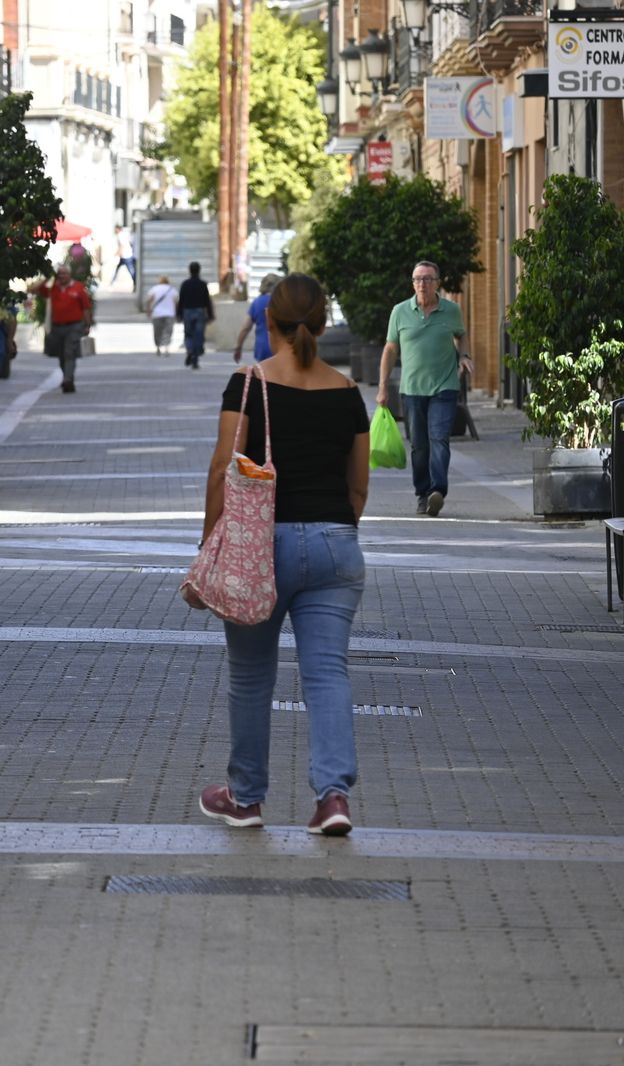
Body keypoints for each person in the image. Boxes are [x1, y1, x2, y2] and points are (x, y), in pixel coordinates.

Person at [191, 273, 370, 836]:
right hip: (335, 548)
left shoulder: (248, 384)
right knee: (326, 674)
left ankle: (245, 799)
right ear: (321, 323)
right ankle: (333, 798)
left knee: (250, 677)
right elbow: (358, 488)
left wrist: (209, 545)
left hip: (258, 547)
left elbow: (224, 469)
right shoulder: (347, 393)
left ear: (269, 322)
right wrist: (331, 531)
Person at [376, 260, 472, 517]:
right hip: (412, 390)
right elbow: (390, 350)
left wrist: (464, 356)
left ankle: (437, 491)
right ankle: (422, 493)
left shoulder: (451, 310)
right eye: (418, 279)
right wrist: (383, 388)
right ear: (413, 283)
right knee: (419, 445)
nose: (422, 284)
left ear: (437, 283)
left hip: (445, 387)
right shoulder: (400, 311)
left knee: (439, 438)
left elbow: (461, 335)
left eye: (428, 279)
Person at [31, 264, 93, 394]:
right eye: (60, 274)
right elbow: (34, 289)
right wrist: (48, 277)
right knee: (61, 355)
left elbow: (86, 307)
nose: (62, 276)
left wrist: (87, 324)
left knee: (69, 352)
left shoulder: (78, 288)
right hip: (57, 326)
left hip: (74, 326)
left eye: (64, 273)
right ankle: (67, 376)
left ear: (69, 274)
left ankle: (67, 380)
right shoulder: (52, 288)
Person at [233, 273, 282, 364]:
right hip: (281, 348)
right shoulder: (283, 302)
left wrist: (238, 347)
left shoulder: (257, 302)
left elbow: (246, 328)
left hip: (262, 348)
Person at [175, 260, 215, 369]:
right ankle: (195, 358)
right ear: (199, 271)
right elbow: (207, 301)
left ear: (189, 271)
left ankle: (190, 351)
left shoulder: (185, 284)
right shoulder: (203, 284)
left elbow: (181, 300)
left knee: (188, 334)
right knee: (199, 335)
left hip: (187, 312)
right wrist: (211, 315)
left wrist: (178, 314)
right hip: (199, 312)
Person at [144, 274, 177, 355]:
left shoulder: (155, 289)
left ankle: (158, 347)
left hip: (157, 314)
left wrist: (148, 311)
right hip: (170, 314)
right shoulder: (172, 289)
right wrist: (177, 312)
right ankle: (166, 347)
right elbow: (176, 302)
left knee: (157, 331)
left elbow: (149, 300)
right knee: (168, 331)